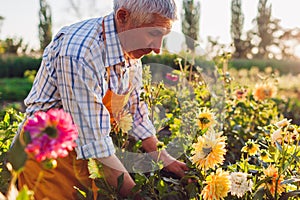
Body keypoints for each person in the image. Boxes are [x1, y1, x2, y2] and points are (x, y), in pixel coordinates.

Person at [16, 0, 188, 199]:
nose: (157, 49)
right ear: (123, 17)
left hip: (87, 162)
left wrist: (164, 158)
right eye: (152, 34)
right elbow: (95, 145)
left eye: (162, 36)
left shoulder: (131, 52)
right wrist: (139, 196)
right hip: (46, 161)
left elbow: (134, 112)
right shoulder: (81, 53)